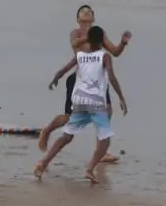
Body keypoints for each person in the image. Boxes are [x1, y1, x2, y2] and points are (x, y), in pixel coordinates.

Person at [35, 26, 128, 184]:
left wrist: (55, 80)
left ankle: (43, 163)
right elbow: (111, 78)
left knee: (66, 136)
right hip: (96, 102)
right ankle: (90, 169)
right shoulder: (104, 56)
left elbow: (64, 70)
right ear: (102, 41)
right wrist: (121, 98)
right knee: (105, 139)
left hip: (78, 101)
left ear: (88, 40)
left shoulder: (79, 55)